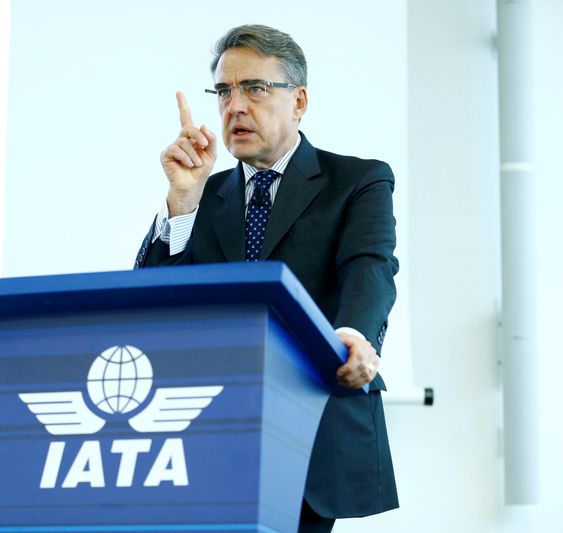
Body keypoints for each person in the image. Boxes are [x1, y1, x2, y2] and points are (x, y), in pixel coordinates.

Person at [134, 24, 399, 532]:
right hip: (205, 436)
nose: (235, 106)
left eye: (255, 88)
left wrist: (350, 337)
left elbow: (370, 266)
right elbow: (151, 305)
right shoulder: (201, 195)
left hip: (307, 427)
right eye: (224, 91)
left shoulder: (357, 181)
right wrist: (183, 202)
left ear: (299, 101)